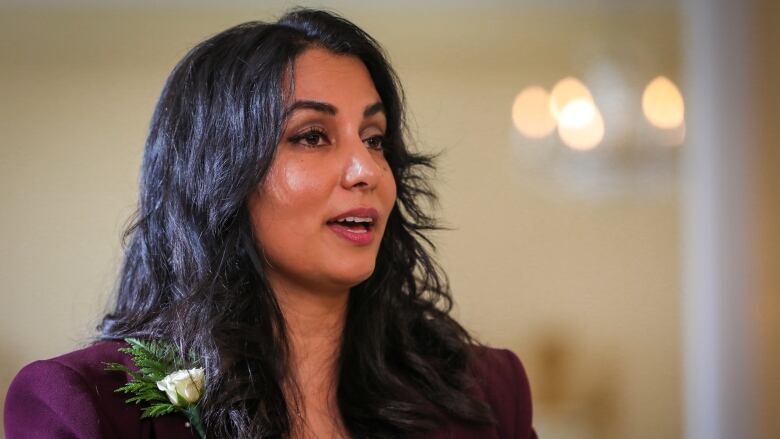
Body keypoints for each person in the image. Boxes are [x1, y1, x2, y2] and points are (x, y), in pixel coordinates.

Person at [4, 8, 536, 439]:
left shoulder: (487, 393)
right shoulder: (87, 407)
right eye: (312, 136)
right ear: (216, 172)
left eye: (374, 139)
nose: (368, 171)